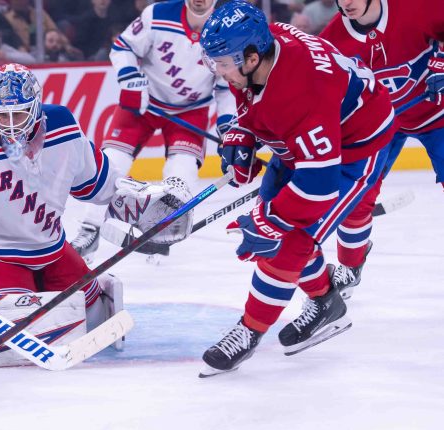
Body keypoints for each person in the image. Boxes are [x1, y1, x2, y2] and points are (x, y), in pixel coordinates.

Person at [0, 63, 192, 330]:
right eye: (1, 115)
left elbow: (100, 183)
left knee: (92, 313)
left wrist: (145, 204)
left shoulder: (63, 127)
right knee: (17, 326)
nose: (10, 125)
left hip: (49, 249)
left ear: (36, 107)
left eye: (18, 113)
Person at [197, 1, 396, 376]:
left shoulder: (300, 91)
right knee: (280, 228)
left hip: (355, 148)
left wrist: (271, 221)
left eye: (223, 63)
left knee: (289, 240)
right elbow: (256, 101)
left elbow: (318, 184)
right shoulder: (262, 49)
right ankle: (325, 303)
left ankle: (250, 330)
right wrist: (243, 133)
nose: (218, 71)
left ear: (252, 58)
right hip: (309, 141)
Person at [70, 0, 236, 261]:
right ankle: (90, 230)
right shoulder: (158, 14)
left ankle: (160, 232)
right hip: (144, 102)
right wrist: (130, 79)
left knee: (182, 176)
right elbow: (123, 46)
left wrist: (229, 130)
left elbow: (227, 88)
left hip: (191, 110)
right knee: (112, 162)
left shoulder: (225, 31)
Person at [319, 0, 444, 298]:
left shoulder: (417, 7)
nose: (346, 2)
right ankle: (350, 266)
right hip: (381, 125)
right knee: (354, 194)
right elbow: (321, 97)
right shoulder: (331, 42)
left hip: (438, 113)